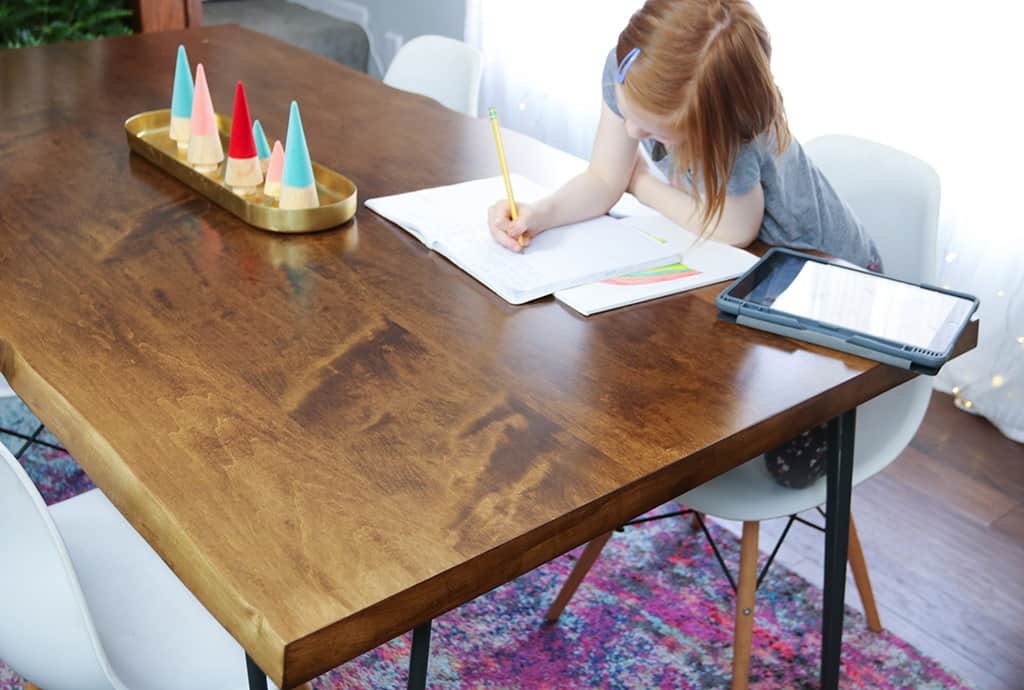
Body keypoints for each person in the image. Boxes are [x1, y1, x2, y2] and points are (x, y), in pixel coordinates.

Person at [487, 0, 883, 488]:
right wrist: (539, 213)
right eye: (630, 115)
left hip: (830, 284)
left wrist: (643, 186)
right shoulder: (631, 71)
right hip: (744, 270)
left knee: (777, 464)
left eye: (653, 131)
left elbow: (735, 228)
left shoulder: (731, 133)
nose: (632, 132)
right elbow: (604, 176)